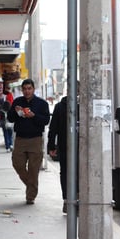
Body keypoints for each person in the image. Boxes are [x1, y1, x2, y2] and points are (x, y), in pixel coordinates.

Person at [7, 79, 50, 205]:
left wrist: (33, 116)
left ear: (33, 89)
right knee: (17, 164)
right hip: (20, 139)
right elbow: (10, 118)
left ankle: (30, 196)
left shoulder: (42, 104)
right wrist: (17, 112)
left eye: (29, 88)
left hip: (35, 139)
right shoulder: (17, 102)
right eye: (24, 89)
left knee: (33, 169)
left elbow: (46, 120)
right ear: (22, 90)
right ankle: (31, 185)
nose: (27, 91)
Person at [47, 82, 80, 213]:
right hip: (65, 146)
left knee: (79, 173)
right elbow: (53, 127)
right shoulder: (60, 107)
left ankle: (77, 197)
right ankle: (67, 199)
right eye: (73, 90)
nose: (76, 93)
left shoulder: (84, 107)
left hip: (82, 149)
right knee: (65, 173)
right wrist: (51, 145)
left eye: (78, 90)